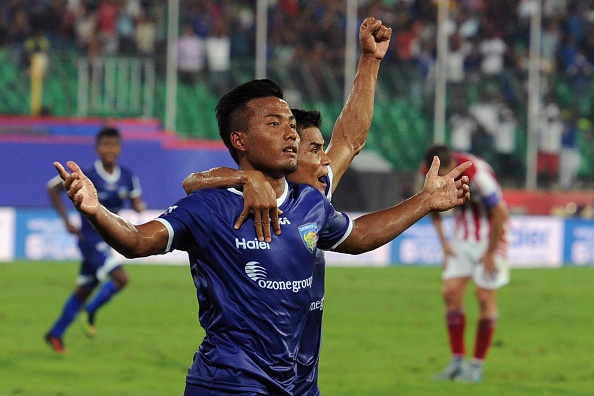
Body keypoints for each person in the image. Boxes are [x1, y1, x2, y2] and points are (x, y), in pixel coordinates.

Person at [53, 78, 471, 395]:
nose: (291, 133)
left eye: (291, 124)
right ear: (240, 140)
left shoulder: (310, 202)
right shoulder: (211, 206)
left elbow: (358, 235)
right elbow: (138, 240)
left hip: (291, 380)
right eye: (275, 124)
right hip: (229, 379)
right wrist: (96, 210)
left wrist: (425, 202)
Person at [181, 17, 390, 395]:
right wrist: (242, 178)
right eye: (314, 150)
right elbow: (193, 183)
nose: (326, 160)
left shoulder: (314, 198)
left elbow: (351, 138)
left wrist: (370, 61)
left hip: (300, 381)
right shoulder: (248, 196)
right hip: (242, 377)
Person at [45, 126, 146, 353]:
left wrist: (140, 207)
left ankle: (55, 333)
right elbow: (52, 189)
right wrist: (66, 221)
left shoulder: (129, 177)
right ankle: (90, 311)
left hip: (110, 240)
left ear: (119, 149)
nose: (110, 149)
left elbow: (137, 203)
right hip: (90, 240)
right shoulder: (88, 174)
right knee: (121, 279)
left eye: (114, 145)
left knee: (84, 288)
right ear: (97, 148)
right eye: (105, 145)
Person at [422, 144, 509, 383]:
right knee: (450, 292)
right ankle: (457, 361)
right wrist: (444, 244)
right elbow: (430, 206)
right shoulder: (430, 172)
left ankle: (477, 366)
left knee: (484, 297)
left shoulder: (478, 174)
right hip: (462, 236)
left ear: (452, 165)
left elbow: (500, 213)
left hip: (492, 236)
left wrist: (491, 253)